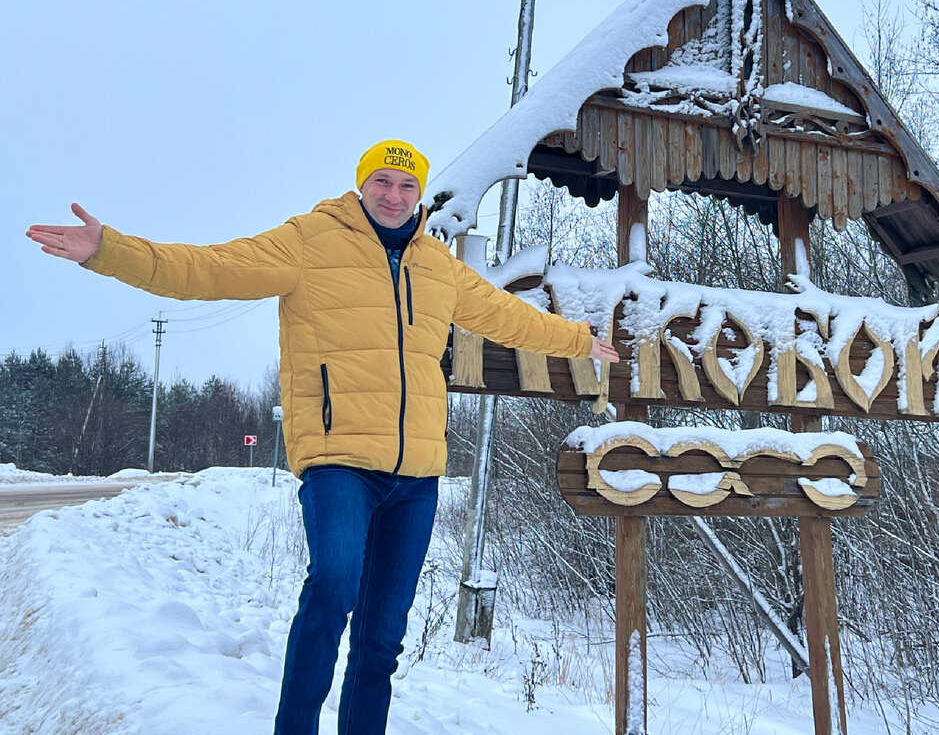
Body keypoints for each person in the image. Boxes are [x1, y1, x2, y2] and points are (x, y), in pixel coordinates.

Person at [27, 139, 619, 735]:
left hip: (415, 474)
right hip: (338, 459)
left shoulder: (436, 265)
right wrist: (109, 250)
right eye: (383, 182)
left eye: (406, 185)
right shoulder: (309, 241)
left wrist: (577, 340)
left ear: (420, 194)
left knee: (383, 636)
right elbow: (208, 268)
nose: (394, 195)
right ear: (362, 185)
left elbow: (503, 314)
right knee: (333, 583)